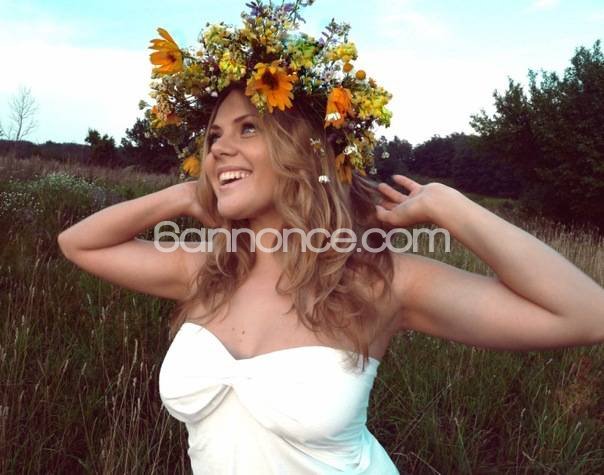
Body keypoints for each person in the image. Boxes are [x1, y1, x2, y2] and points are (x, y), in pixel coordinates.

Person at [57, 1, 604, 474]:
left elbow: (586, 315)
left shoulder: (379, 280)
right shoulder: (208, 270)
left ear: (307, 150)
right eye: (215, 136)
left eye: (249, 128)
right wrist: (183, 196)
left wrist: (449, 207)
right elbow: (78, 243)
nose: (219, 148)